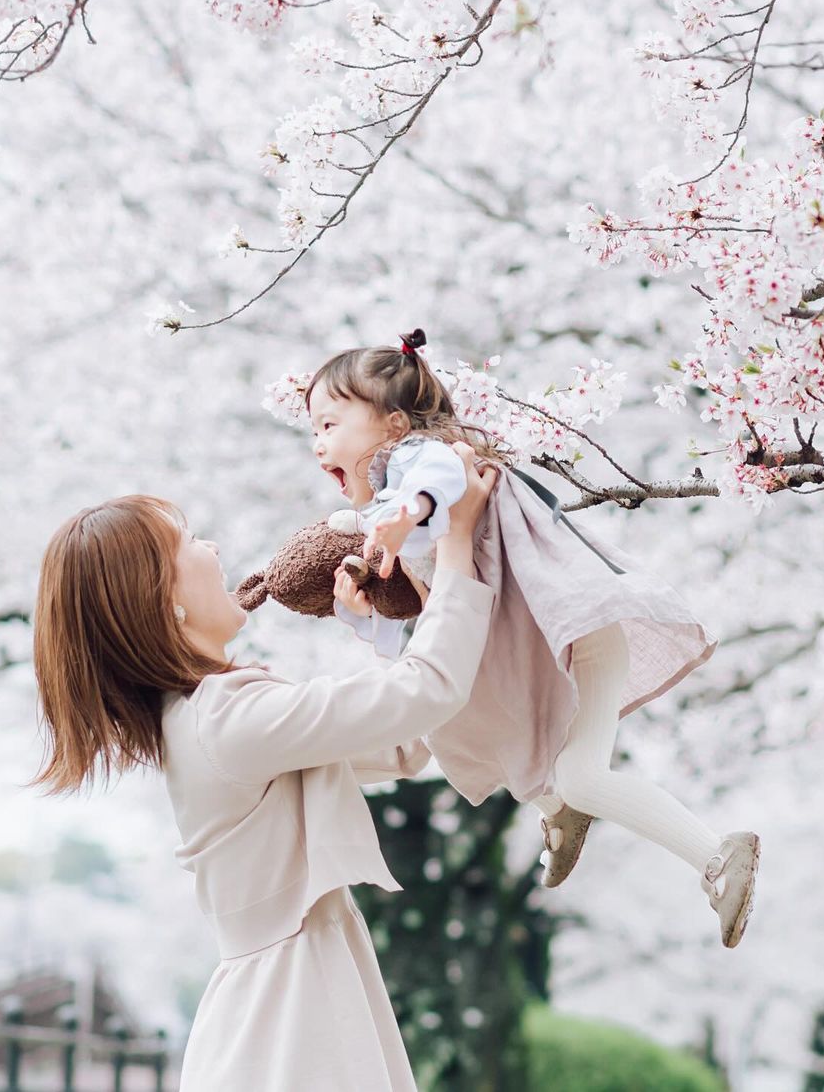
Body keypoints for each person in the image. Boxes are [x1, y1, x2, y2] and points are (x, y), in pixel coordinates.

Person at [31, 450, 497, 1092]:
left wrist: (374, 633)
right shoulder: (226, 717)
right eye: (191, 542)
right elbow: (429, 696)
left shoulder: (205, 717)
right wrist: (456, 540)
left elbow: (406, 742)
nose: (215, 548)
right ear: (165, 601)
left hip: (282, 1001)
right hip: (291, 1014)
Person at [308, 330, 760, 948]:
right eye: (313, 431)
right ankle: (561, 814)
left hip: (581, 634)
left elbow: (440, 474)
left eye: (329, 424)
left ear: (390, 425)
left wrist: (407, 512)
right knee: (466, 732)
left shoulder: (428, 461)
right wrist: (363, 613)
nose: (318, 445)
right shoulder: (389, 514)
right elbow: (424, 622)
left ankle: (716, 855)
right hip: (534, 648)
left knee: (572, 773)